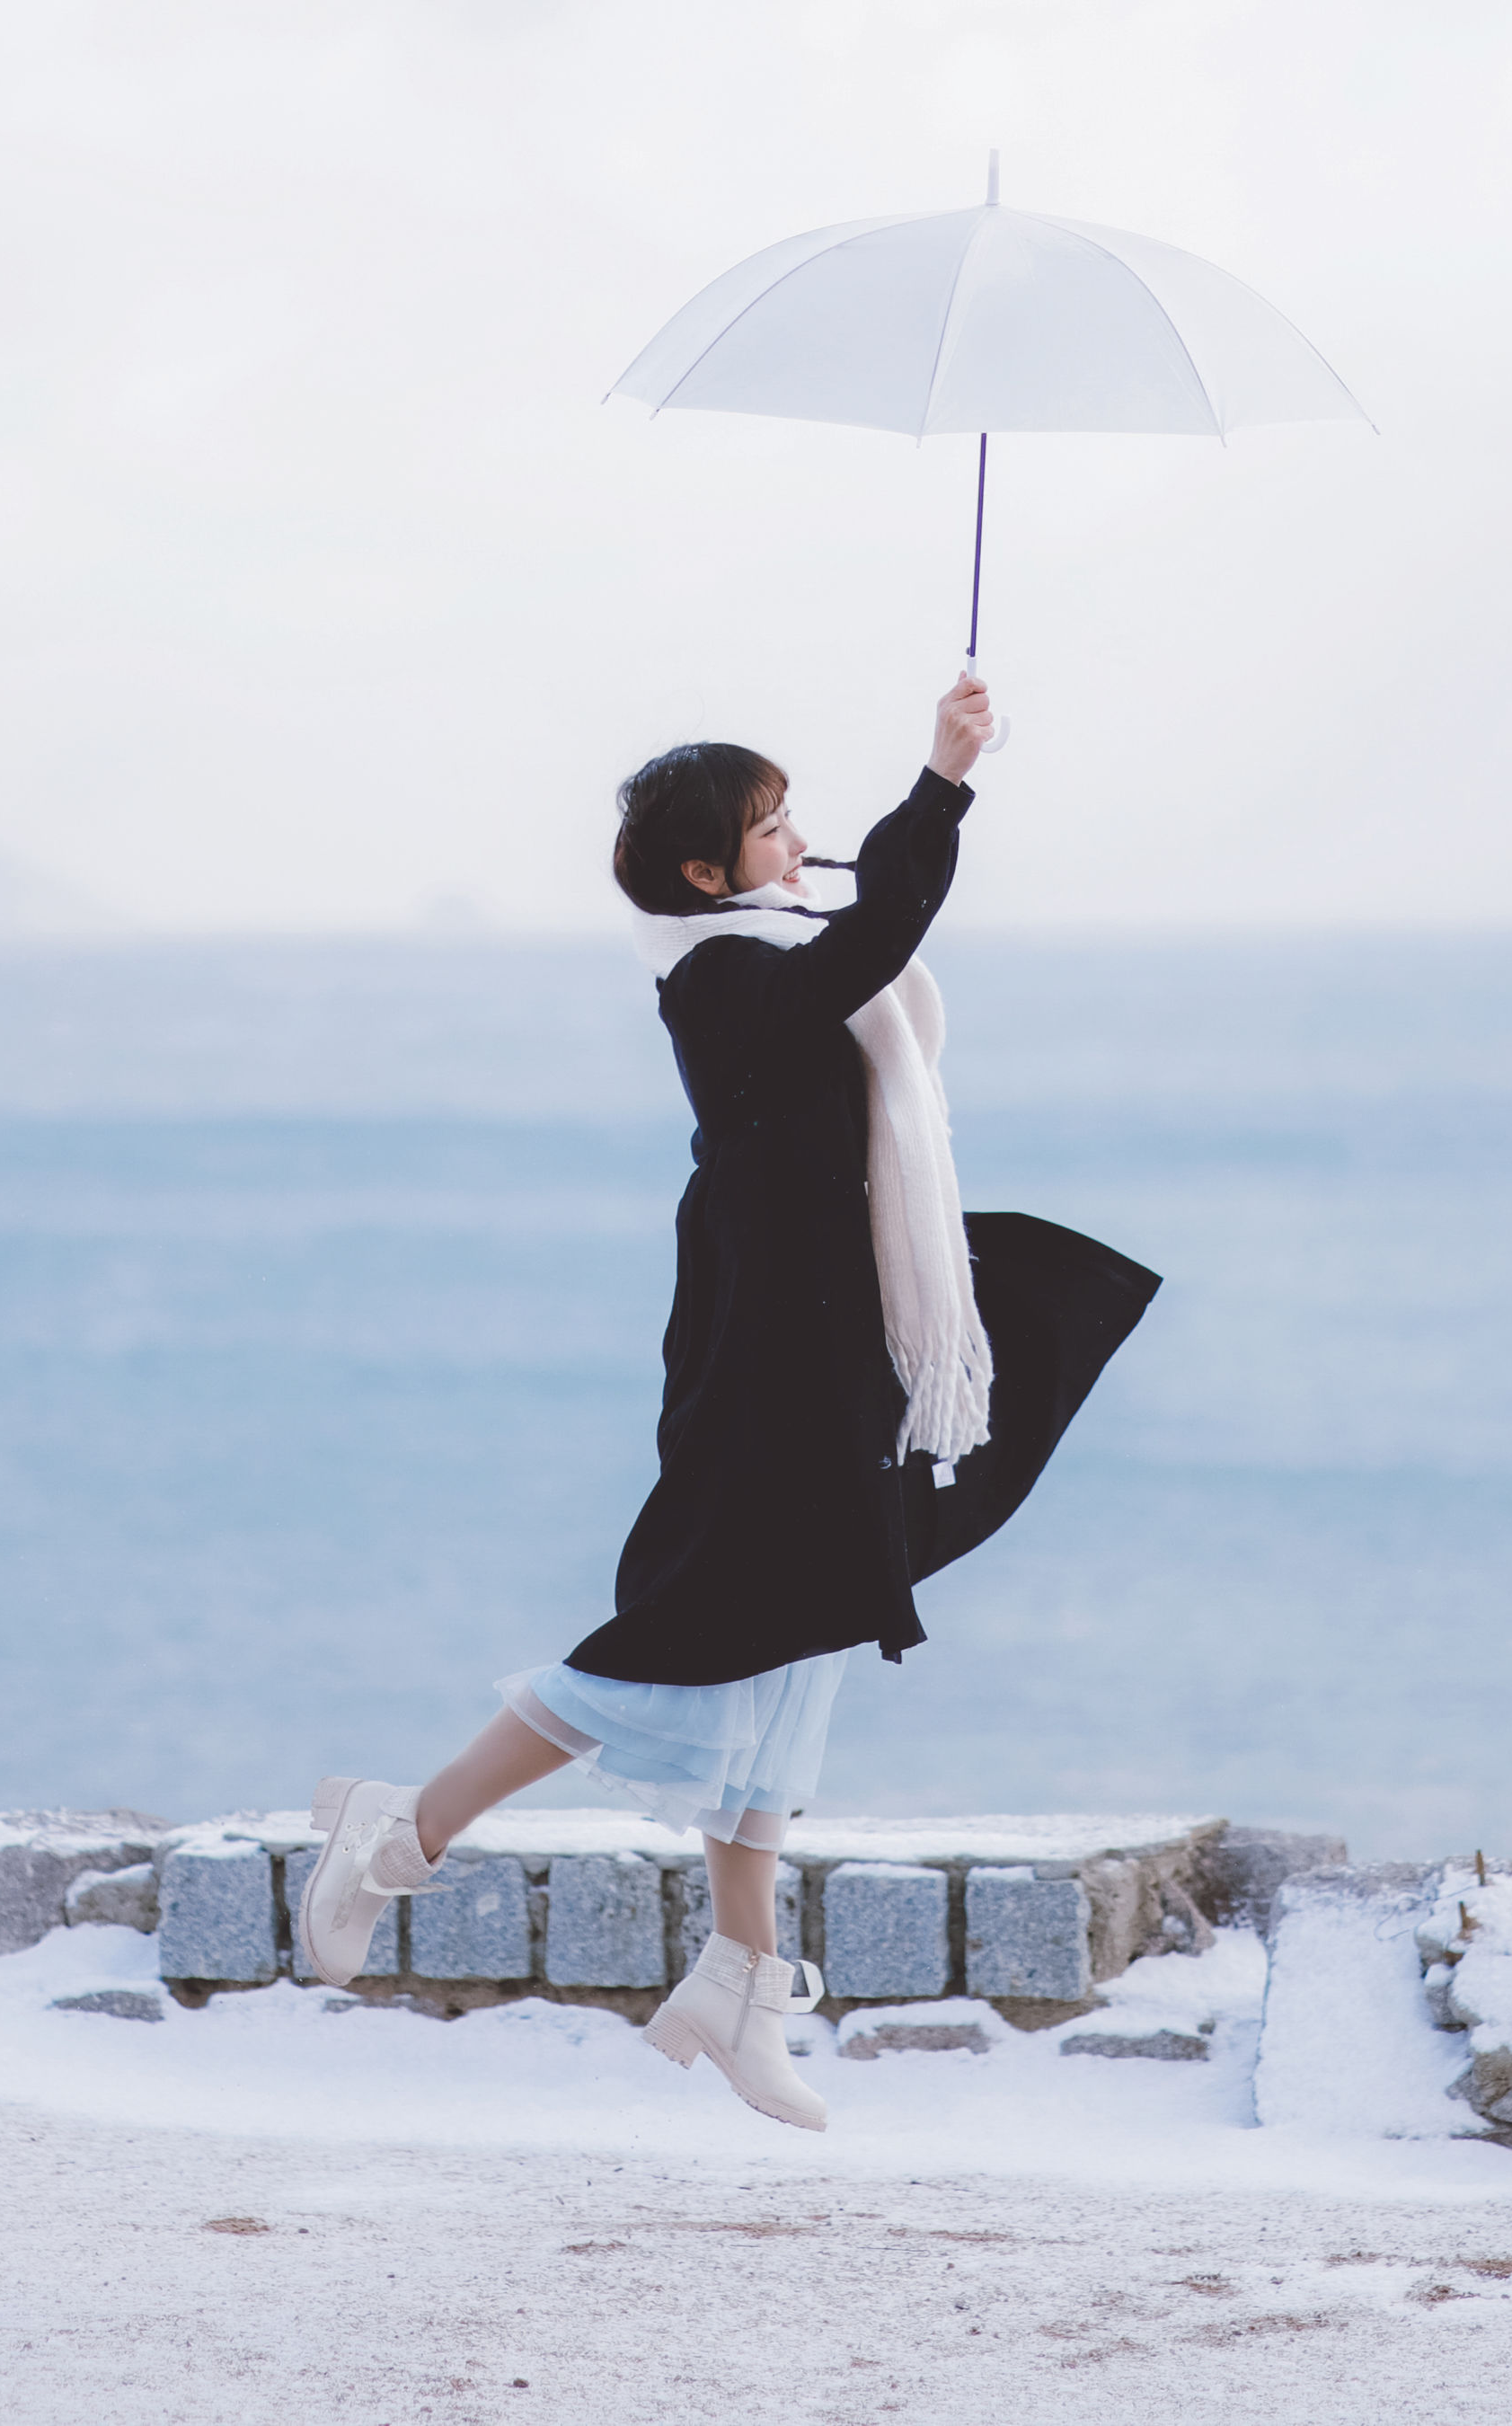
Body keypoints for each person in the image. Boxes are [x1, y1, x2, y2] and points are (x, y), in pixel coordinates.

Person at [299, 670, 1158, 2130]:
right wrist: (943, 779)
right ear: (706, 872)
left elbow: (867, 951)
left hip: (847, 1319)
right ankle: (407, 1826)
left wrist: (908, 820)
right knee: (691, 1629)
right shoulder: (721, 972)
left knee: (807, 1625)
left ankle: (738, 1977)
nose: (790, 842)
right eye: (769, 829)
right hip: (768, 1335)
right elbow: (883, 928)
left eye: (786, 821)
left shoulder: (774, 938)